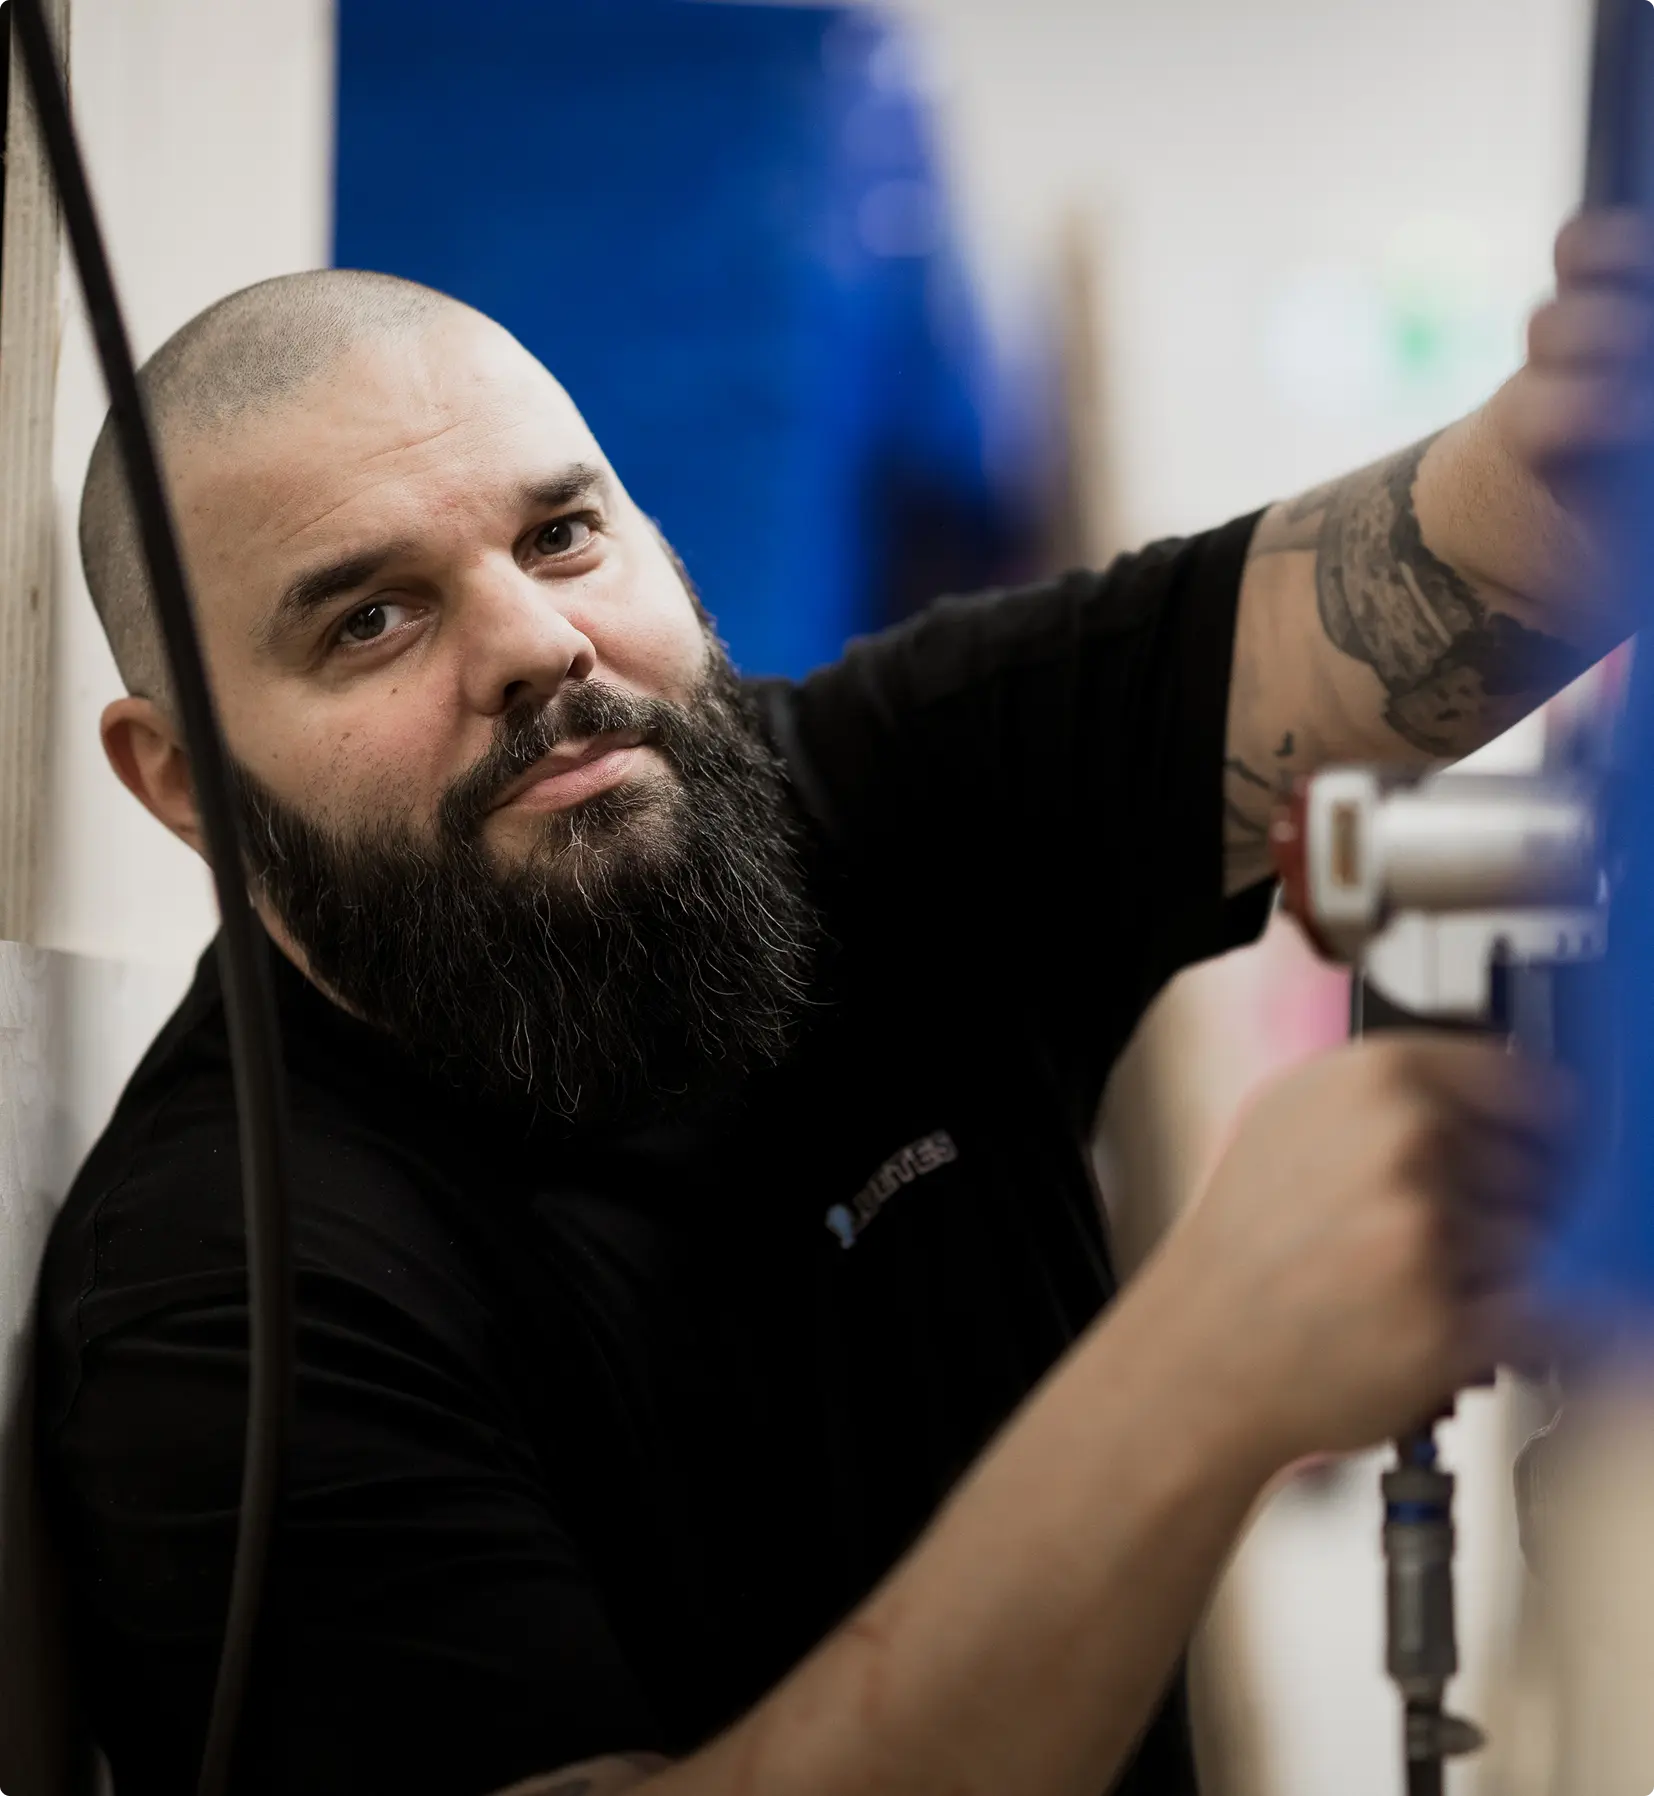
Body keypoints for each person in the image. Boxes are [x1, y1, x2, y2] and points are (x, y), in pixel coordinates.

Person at [33, 211, 1647, 1796]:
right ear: (179, 780)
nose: (536, 641)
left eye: (560, 535)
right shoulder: (225, 1308)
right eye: (368, 617)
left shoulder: (876, 803)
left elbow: (1487, 557)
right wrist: (1203, 1373)